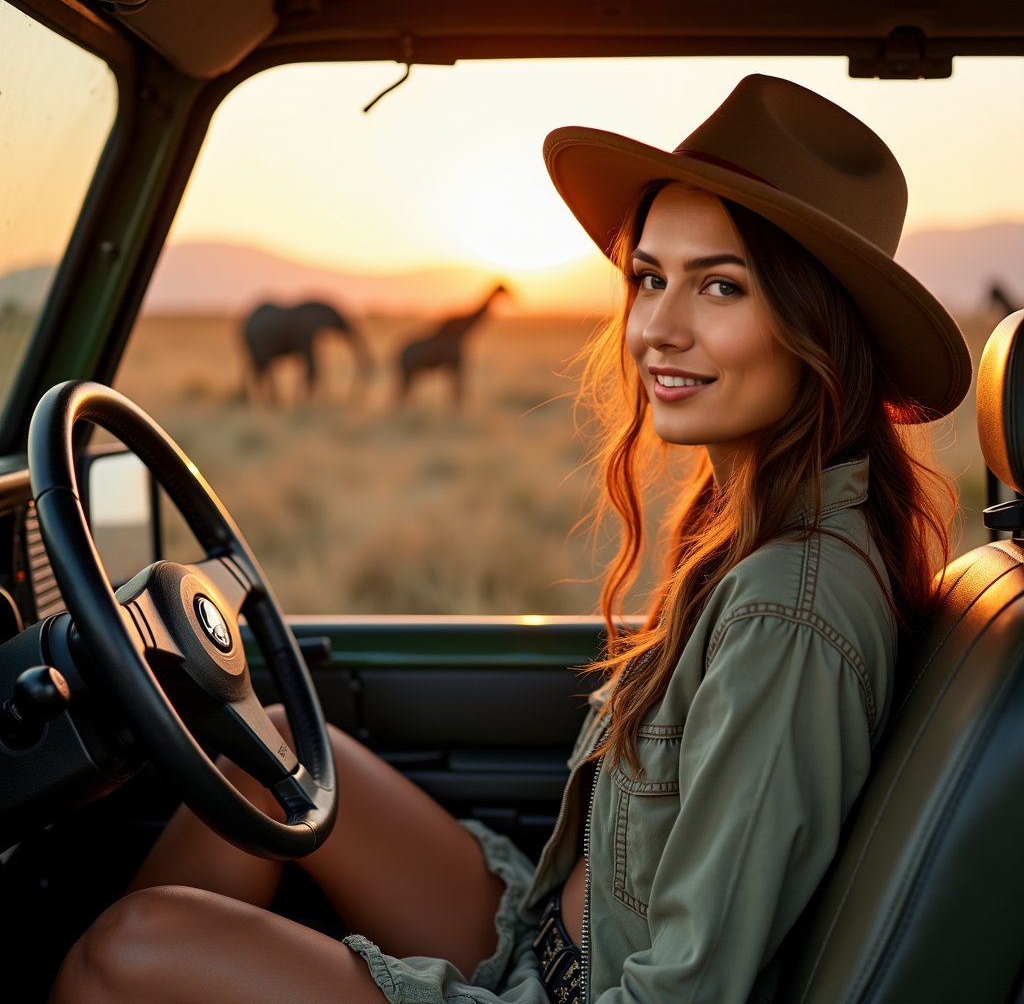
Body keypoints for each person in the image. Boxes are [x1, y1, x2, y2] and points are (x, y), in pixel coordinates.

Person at [48, 73, 969, 1004]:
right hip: (553, 935)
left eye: (721, 287)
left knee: (123, 951)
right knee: (270, 754)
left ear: (820, 329)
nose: (657, 329)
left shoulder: (788, 612)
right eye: (650, 278)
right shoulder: (755, 521)